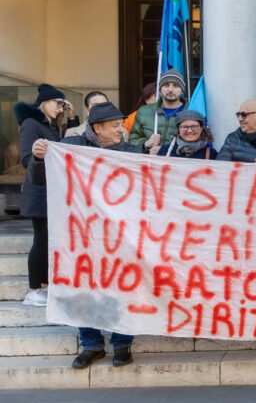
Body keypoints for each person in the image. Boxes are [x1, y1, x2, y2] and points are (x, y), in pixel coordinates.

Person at [29, 102, 140, 369]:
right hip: (81, 234)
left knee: (123, 288)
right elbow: (40, 179)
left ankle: (122, 343)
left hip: (121, 235)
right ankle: (91, 345)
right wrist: (39, 157)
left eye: (120, 125)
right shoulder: (73, 149)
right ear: (97, 128)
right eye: (114, 126)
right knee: (83, 289)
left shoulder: (133, 151)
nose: (120, 130)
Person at [15, 84, 70, 307]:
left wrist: (72, 118)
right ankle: (33, 290)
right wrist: (40, 156)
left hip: (51, 190)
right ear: (45, 102)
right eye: (58, 103)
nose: (60, 108)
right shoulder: (31, 124)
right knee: (41, 240)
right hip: (39, 191)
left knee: (49, 241)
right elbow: (27, 159)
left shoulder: (51, 126)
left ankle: (45, 287)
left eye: (63, 105)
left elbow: (66, 148)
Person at [130, 69, 186, 154]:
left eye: (175, 85)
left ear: (182, 90)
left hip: (178, 165)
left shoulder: (190, 113)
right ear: (160, 90)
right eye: (166, 85)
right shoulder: (144, 112)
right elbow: (132, 141)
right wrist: (146, 144)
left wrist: (164, 151)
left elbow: (198, 145)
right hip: (149, 164)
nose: (170, 90)